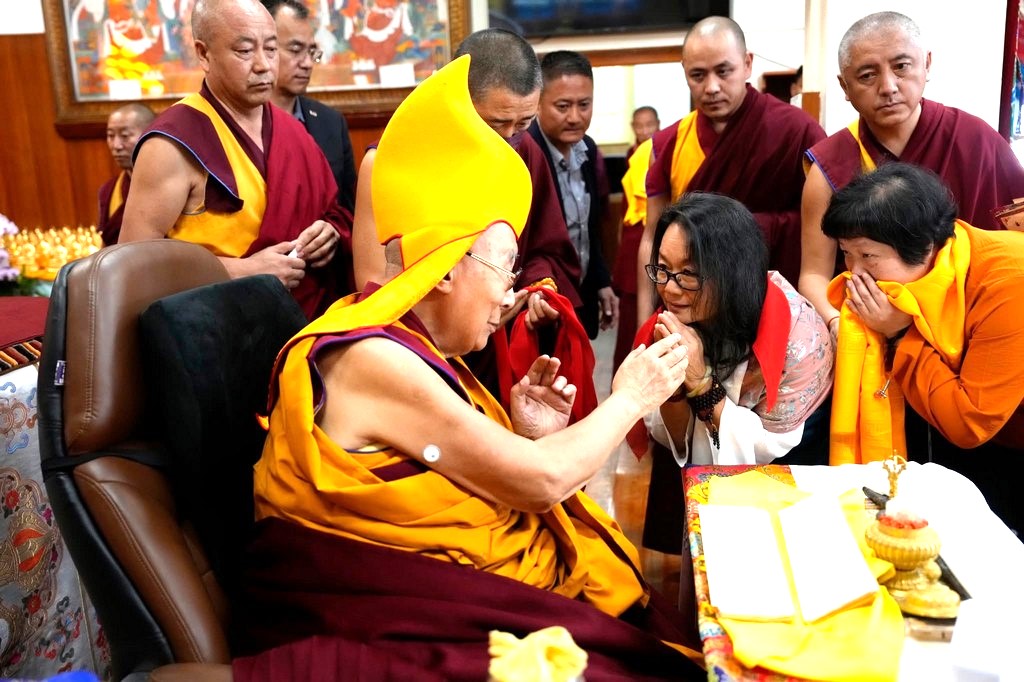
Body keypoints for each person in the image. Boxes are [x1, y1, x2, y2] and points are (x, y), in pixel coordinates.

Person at [231, 55, 705, 681]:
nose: (511, 291)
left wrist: (525, 434)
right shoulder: (371, 357)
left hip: (469, 587)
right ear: (447, 269)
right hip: (411, 613)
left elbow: (477, 474)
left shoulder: (414, 345)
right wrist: (631, 397)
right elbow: (539, 483)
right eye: (505, 268)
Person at [822, 163, 1024, 534]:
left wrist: (900, 333)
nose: (855, 273)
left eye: (868, 256)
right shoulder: (945, 257)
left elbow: (968, 424)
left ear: (924, 246)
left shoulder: (1009, 285)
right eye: (847, 254)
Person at [119, 0, 351, 320]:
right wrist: (242, 270)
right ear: (204, 54)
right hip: (215, 331)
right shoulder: (173, 142)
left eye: (271, 49)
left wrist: (330, 232)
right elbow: (133, 264)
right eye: (244, 51)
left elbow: (334, 212)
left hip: (306, 326)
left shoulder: (291, 131)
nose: (263, 65)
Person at [800, 11, 1024, 336]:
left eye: (901, 66)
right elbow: (814, 275)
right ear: (844, 86)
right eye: (867, 75)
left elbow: (1015, 246)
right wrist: (838, 323)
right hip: (866, 328)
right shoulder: (829, 165)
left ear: (927, 64)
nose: (888, 87)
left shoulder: (976, 140)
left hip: (971, 322)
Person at [638, 16, 825, 326]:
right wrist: (644, 323)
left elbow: (824, 230)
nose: (711, 87)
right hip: (692, 304)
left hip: (773, 304)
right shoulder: (668, 143)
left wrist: (737, 233)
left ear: (747, 64)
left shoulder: (797, 131)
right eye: (698, 75)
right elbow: (652, 237)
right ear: (685, 72)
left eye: (724, 71)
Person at [641, 192, 834, 465]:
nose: (669, 289)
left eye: (689, 273)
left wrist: (701, 383)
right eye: (663, 268)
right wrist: (674, 385)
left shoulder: (800, 341)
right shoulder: (676, 317)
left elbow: (764, 451)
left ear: (734, 274)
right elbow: (673, 438)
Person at [529, 50, 617, 339]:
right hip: (541, 299)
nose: (575, 117)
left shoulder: (587, 149)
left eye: (584, 105)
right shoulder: (525, 153)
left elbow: (589, 228)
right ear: (538, 103)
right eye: (563, 106)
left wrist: (601, 280)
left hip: (582, 290)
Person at [263, 0, 357, 213]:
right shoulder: (241, 122)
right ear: (265, 48)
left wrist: (333, 228)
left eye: (312, 52)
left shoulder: (331, 124)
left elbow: (350, 211)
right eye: (296, 50)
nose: (307, 63)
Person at [97, 103, 155, 245]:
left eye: (125, 136)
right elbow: (106, 244)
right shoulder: (109, 190)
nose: (116, 145)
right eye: (110, 136)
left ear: (149, 135)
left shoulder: (171, 185)